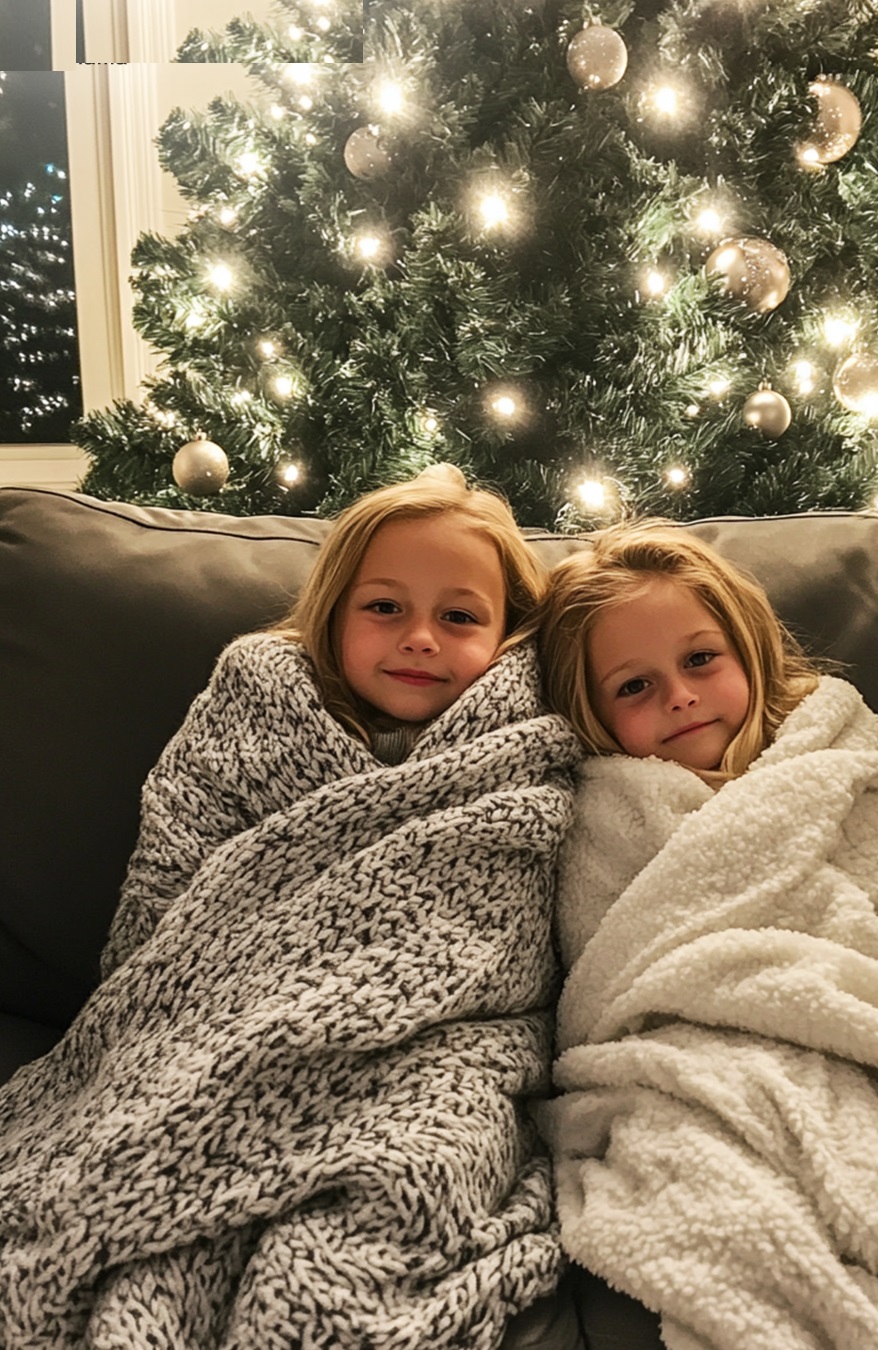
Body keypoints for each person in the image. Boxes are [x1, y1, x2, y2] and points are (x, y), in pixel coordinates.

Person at [0, 466, 583, 1350]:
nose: (420, 637)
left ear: (508, 634)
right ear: (334, 611)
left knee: (412, 1177)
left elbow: (521, 927)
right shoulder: (255, 702)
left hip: (443, 1052)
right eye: (384, 607)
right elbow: (168, 879)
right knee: (137, 1206)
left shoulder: (531, 740)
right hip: (224, 1022)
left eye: (460, 617)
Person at [536, 520, 878, 1350]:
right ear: (591, 713)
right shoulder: (608, 808)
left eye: (700, 660)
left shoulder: (836, 755)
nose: (678, 696)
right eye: (634, 686)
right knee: (737, 1217)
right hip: (707, 1062)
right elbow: (611, 975)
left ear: (748, 651)